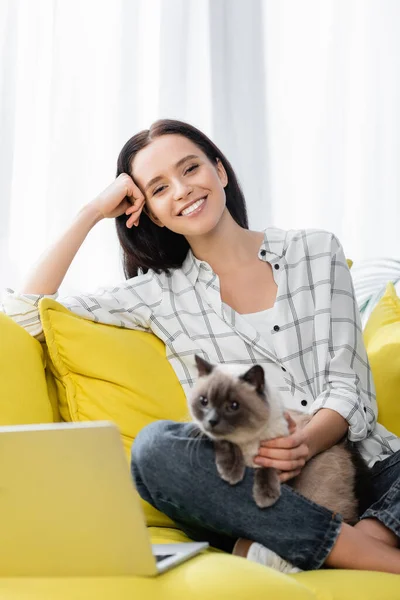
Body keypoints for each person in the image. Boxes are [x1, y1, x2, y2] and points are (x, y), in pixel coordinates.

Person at [2, 119, 400, 574]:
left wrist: (303, 444)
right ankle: (369, 548)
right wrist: (92, 211)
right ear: (150, 212)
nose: (183, 190)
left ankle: (343, 545)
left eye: (190, 169)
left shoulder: (315, 251)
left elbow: (349, 387)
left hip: (372, 471)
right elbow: (22, 315)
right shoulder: (155, 293)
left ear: (220, 171)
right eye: (159, 188)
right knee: (154, 450)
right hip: (247, 484)